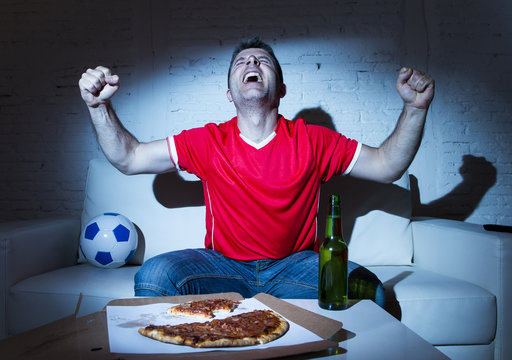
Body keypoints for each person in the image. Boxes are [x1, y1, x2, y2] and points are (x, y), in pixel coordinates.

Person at [78, 38, 434, 307]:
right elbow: (130, 158)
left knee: (369, 291)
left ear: (280, 89)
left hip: (295, 267)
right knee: (154, 276)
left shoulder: (314, 140)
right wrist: (98, 107)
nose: (251, 62)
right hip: (223, 266)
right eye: (242, 62)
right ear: (230, 93)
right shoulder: (207, 140)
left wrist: (415, 109)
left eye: (262, 61)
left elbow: (388, 166)